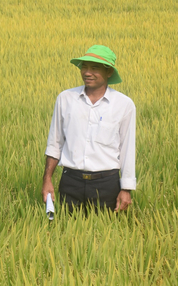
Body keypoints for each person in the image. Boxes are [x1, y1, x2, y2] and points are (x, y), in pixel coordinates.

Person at [42, 45, 136, 213]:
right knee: (67, 234)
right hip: (70, 181)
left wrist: (126, 189)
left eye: (95, 68)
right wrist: (47, 179)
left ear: (109, 72)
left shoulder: (124, 104)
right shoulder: (65, 98)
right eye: (84, 66)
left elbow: (127, 149)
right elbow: (54, 143)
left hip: (106, 184)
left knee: (105, 234)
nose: (87, 72)